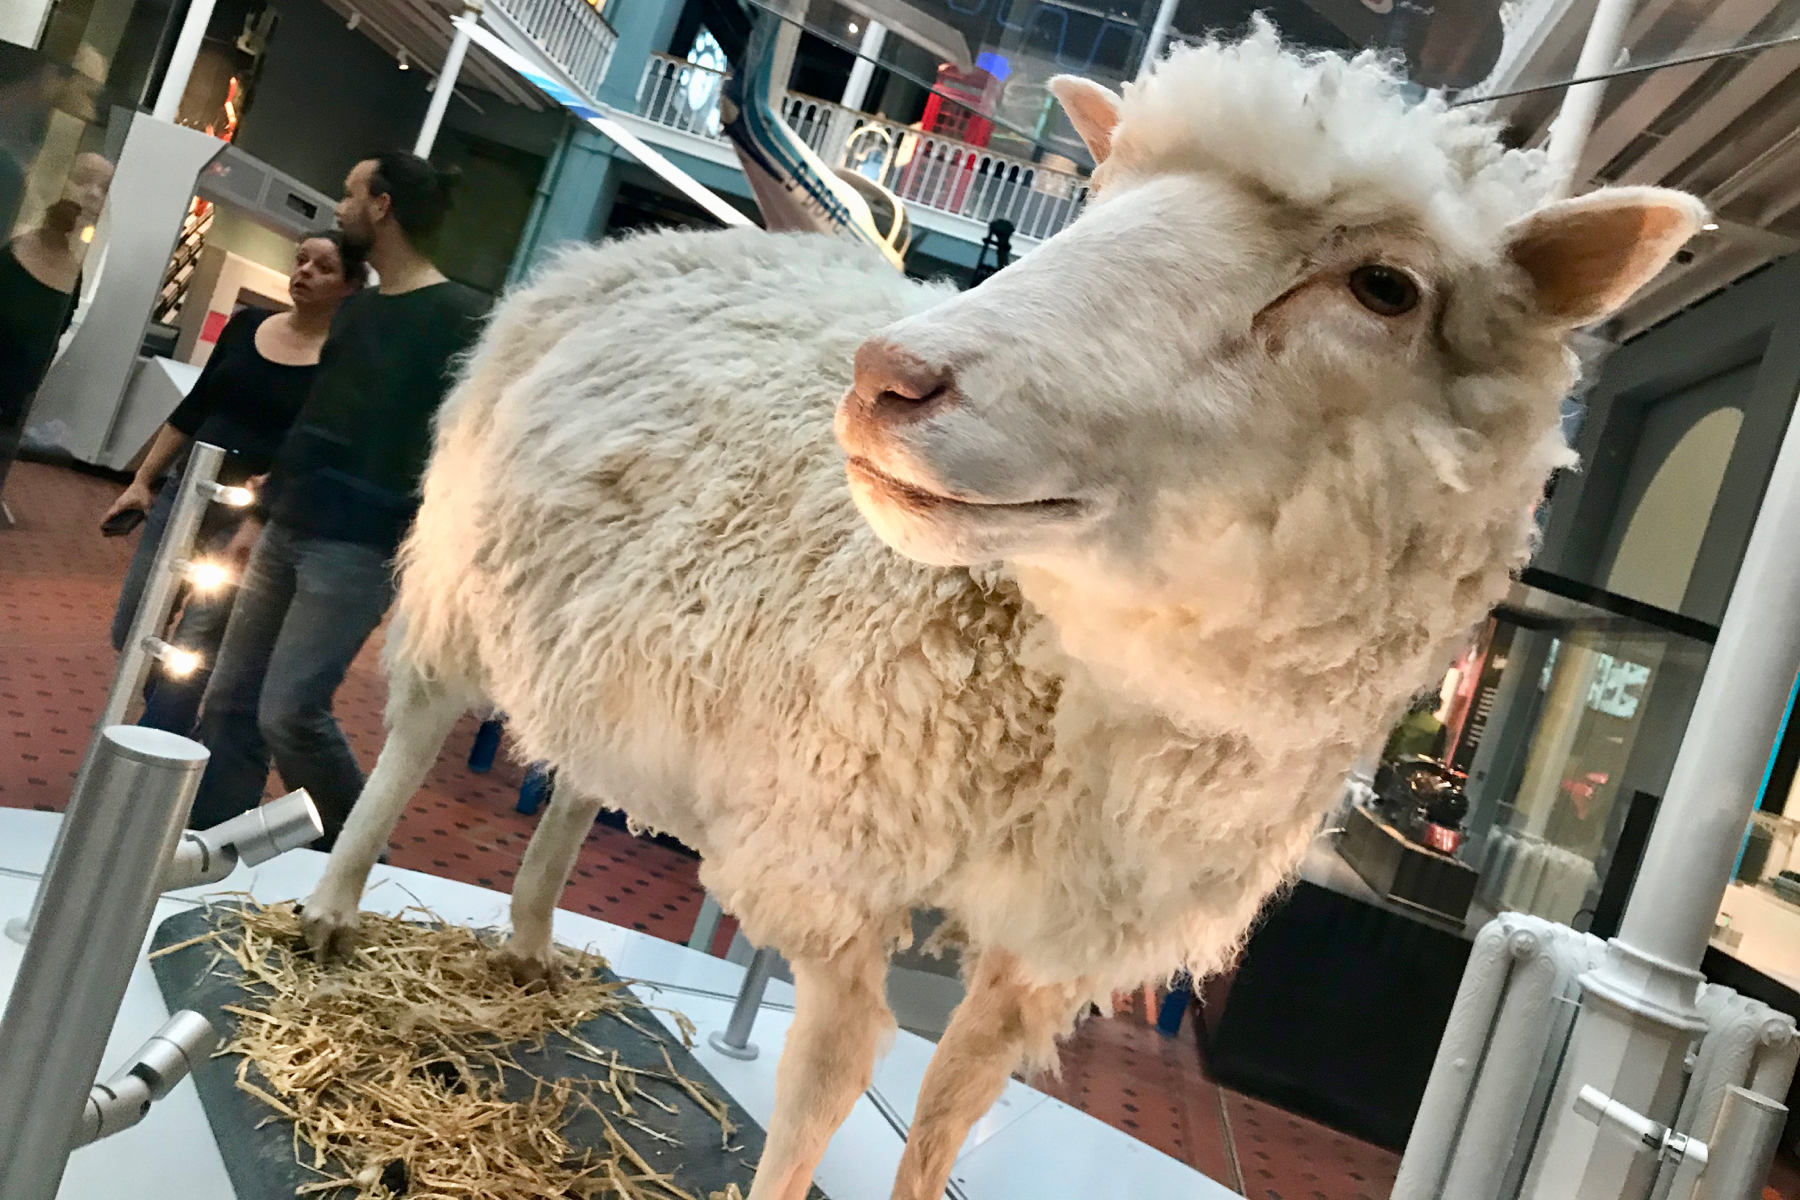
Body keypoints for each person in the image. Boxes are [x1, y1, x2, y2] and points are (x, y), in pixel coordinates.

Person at [187, 151, 489, 848]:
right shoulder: (359, 313)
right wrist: (260, 518)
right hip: (291, 527)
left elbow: (465, 446)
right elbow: (316, 423)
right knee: (231, 701)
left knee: (290, 711)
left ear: (382, 206)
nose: (341, 207)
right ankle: (215, 849)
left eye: (351, 195)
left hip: (359, 545)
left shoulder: (461, 318)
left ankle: (360, 854)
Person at [101, 231, 368, 733]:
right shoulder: (247, 325)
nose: (305, 271)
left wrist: (276, 498)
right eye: (302, 260)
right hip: (185, 495)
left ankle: (160, 736)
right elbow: (195, 405)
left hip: (249, 513)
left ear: (350, 286)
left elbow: (323, 444)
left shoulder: (343, 362)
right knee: (134, 623)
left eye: (324, 268)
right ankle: (162, 716)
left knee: (197, 639)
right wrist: (142, 480)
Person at [0, 150, 112, 494]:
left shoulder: (73, 276)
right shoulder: (9, 242)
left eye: (102, 188)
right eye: (81, 180)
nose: (90, 194)